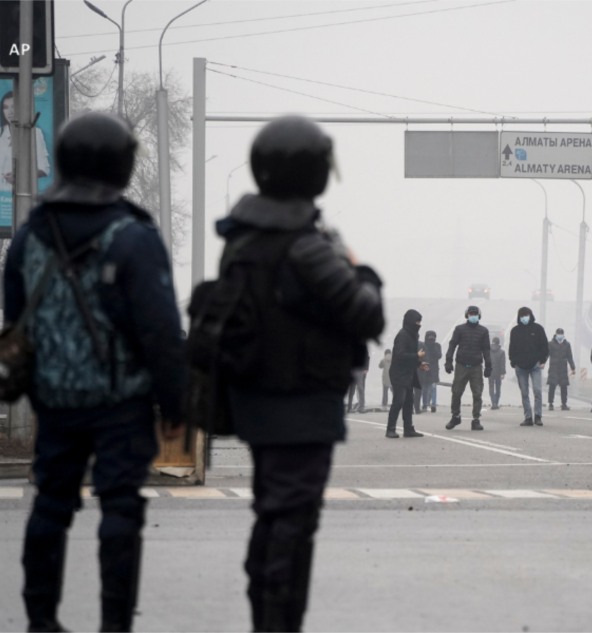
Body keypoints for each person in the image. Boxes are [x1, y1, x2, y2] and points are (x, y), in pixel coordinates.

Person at [3, 113, 184, 633]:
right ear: (120, 165)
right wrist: (174, 409)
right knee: (121, 508)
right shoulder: (133, 237)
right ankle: (114, 623)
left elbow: (16, 325)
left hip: (53, 403)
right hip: (121, 404)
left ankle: (41, 620)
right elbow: (161, 333)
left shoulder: (30, 235)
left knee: (51, 504)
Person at [216, 117, 385, 630]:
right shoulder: (307, 245)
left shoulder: (242, 239)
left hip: (256, 401)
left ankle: (267, 617)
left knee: (272, 516)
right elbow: (367, 314)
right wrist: (360, 269)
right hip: (303, 405)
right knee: (292, 525)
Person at [0, 91, 51, 191]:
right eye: (5, 107)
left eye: (14, 106)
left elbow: (45, 170)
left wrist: (20, 177)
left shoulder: (34, 133)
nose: (10, 112)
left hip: (19, 194)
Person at [444, 305, 492, 430]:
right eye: (471, 314)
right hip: (461, 365)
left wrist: (488, 366)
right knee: (456, 392)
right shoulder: (459, 329)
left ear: (479, 316)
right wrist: (448, 362)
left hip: (476, 366)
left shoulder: (483, 331)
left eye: (475, 314)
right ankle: (456, 416)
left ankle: (476, 420)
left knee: (477, 394)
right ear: (467, 315)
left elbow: (486, 349)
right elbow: (452, 345)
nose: (473, 316)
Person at [387, 310, 426, 438]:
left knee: (409, 402)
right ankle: (390, 429)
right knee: (399, 401)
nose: (419, 324)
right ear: (410, 321)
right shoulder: (403, 335)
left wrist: (419, 364)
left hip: (409, 373)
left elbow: (409, 357)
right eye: (417, 321)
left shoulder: (413, 335)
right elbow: (399, 355)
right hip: (399, 374)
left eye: (420, 322)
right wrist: (417, 355)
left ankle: (408, 429)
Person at [509, 307, 549, 426]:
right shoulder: (515, 331)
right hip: (520, 367)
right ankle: (528, 417)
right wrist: (513, 362)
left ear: (530, 315)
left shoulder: (538, 329)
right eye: (522, 316)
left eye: (526, 315)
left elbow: (545, 346)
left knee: (537, 390)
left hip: (535, 366)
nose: (524, 318)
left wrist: (541, 360)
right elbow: (512, 348)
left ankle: (538, 416)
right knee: (524, 393)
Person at [546, 327, 576, 411]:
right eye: (558, 334)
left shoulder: (566, 344)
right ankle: (551, 403)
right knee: (552, 386)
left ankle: (564, 404)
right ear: (555, 334)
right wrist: (542, 362)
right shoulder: (551, 344)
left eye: (561, 334)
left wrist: (573, 367)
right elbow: (546, 355)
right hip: (553, 367)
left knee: (564, 387)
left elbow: (569, 357)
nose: (560, 335)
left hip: (563, 368)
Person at [419, 330, 442, 413]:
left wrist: (432, 347)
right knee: (424, 388)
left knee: (433, 387)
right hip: (425, 368)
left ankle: (433, 404)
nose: (431, 338)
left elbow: (439, 355)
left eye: (433, 337)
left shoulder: (437, 346)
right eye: (429, 337)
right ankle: (425, 404)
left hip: (434, 369)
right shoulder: (423, 345)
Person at [347, 347, 369, 413]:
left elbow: (367, 357)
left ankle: (359, 407)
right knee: (355, 389)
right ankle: (356, 407)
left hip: (358, 369)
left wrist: (366, 368)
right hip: (355, 369)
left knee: (358, 389)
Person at [488, 336, 507, 410]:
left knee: (491, 387)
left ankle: (493, 403)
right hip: (498, 372)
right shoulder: (502, 352)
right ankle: (496, 402)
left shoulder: (488, 351)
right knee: (498, 388)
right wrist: (502, 373)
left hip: (490, 371)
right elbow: (502, 364)